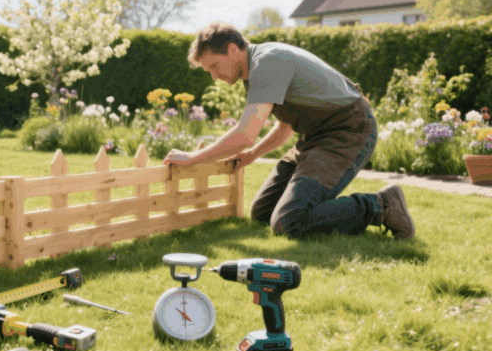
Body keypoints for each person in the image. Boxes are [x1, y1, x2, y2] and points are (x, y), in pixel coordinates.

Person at [162, 22, 414, 240]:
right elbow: (285, 127)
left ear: (231, 49)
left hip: (348, 131)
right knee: (262, 213)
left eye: (214, 66)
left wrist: (192, 158)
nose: (214, 76)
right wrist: (252, 155)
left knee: (289, 222)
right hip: (314, 137)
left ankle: (381, 205)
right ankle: (343, 212)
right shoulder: (254, 70)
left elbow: (245, 134)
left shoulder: (268, 62)